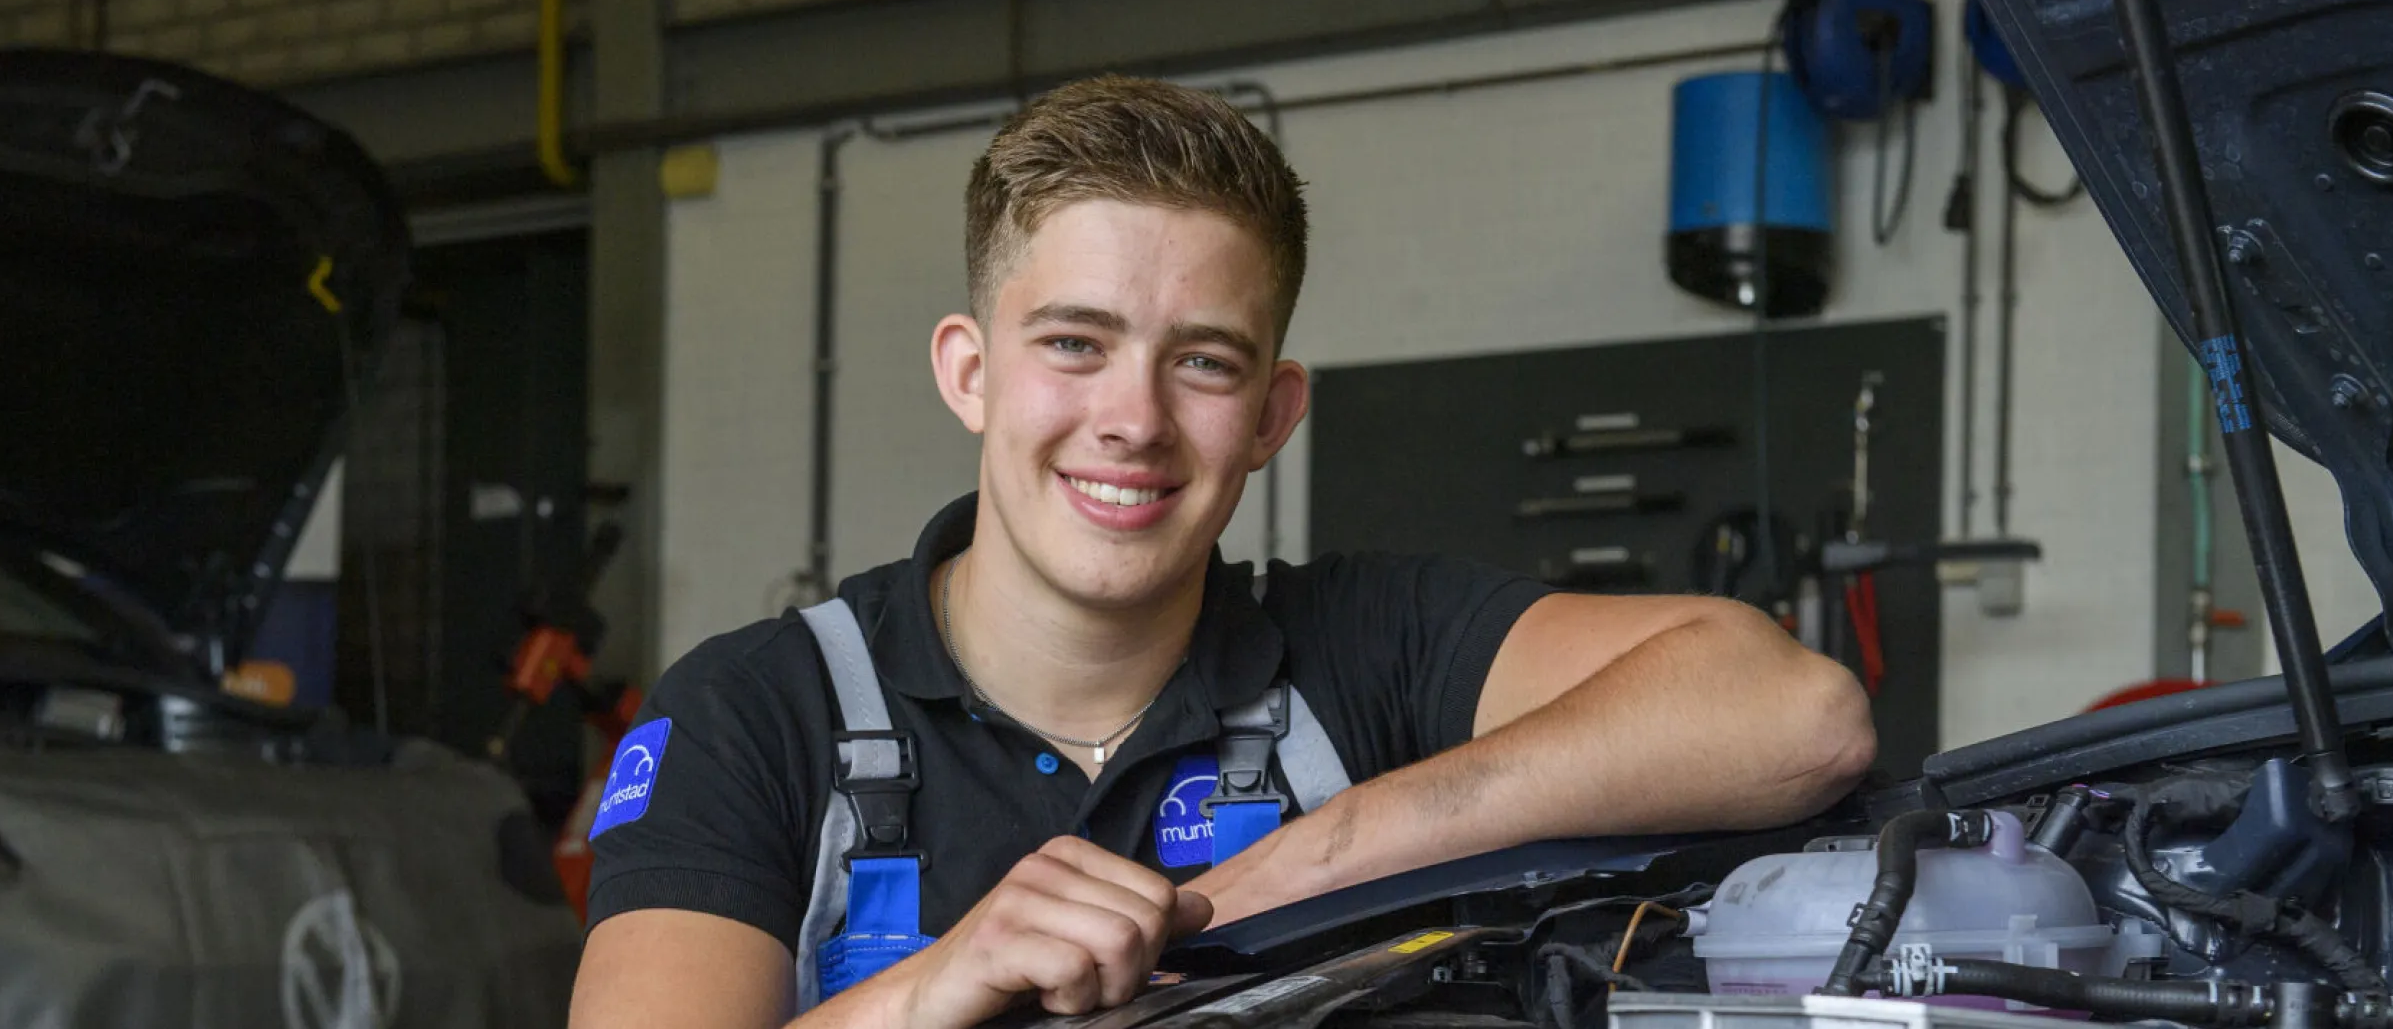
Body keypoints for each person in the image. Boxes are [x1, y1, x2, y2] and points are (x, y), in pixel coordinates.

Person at [567, 76, 1876, 1029]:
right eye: (1074, 343)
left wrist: (1312, 859)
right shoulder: (756, 713)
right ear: (971, 374)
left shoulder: (1368, 644)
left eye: (1200, 361)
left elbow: (1794, 713)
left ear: (1271, 415)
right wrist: (934, 989)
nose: (1132, 420)